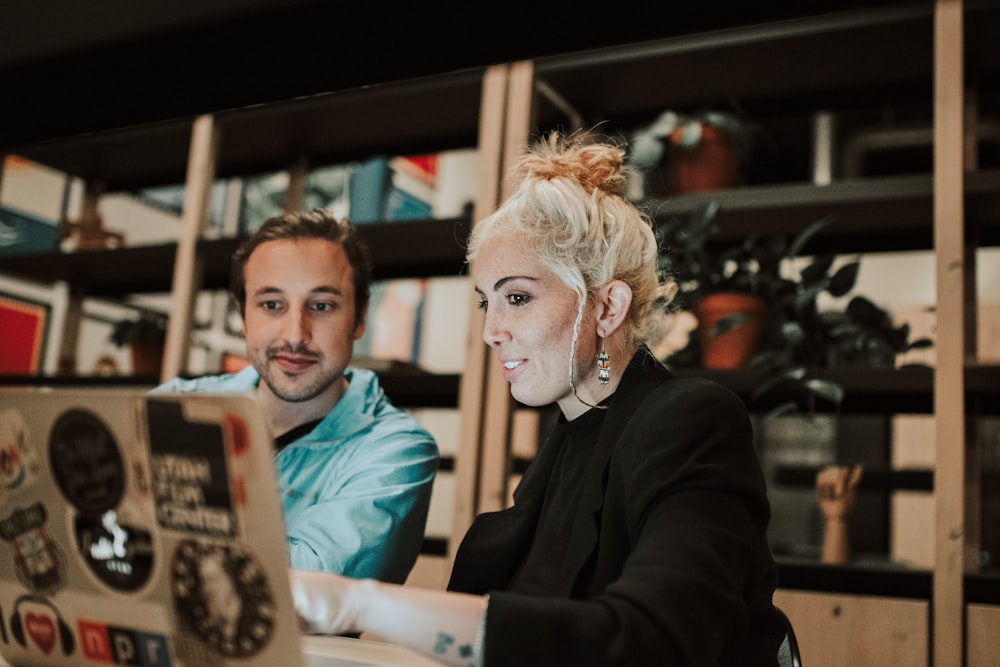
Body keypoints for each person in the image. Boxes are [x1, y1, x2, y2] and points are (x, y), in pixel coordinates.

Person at [290, 132, 785, 665]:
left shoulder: (689, 420)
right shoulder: (563, 445)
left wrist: (361, 604)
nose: (491, 331)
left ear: (607, 307)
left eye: (518, 297)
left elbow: (655, 639)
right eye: (487, 303)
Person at [154, 210, 439, 584]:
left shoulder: (395, 452)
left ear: (359, 318)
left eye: (321, 306)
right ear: (243, 315)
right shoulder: (172, 407)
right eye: (272, 304)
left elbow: (304, 593)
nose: (294, 334)